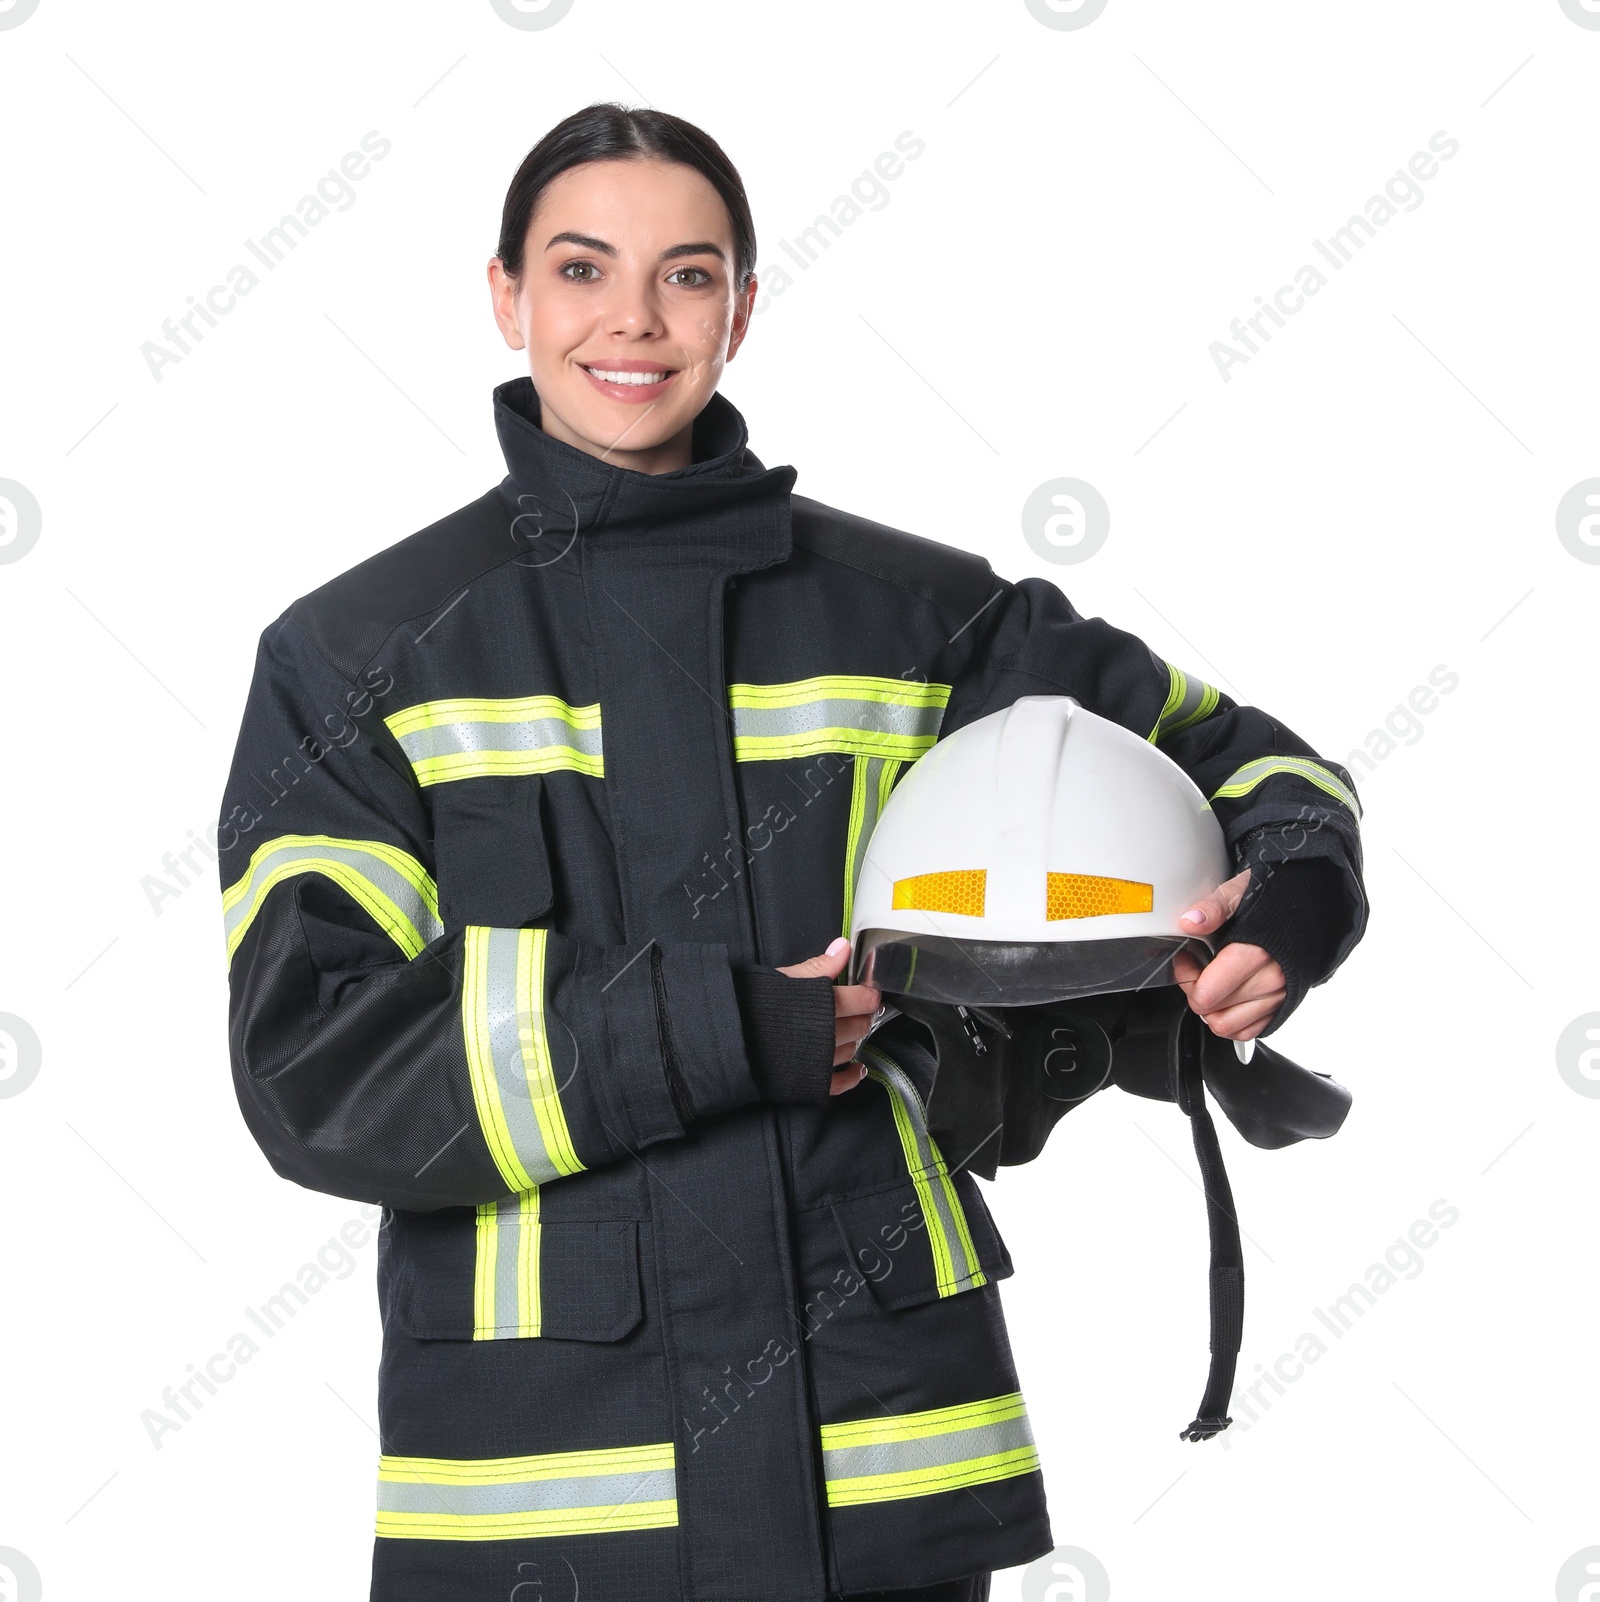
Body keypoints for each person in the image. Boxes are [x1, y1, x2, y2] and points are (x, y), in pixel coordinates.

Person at [218, 102, 1367, 1602]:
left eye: (687, 276)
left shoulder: (914, 614)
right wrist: (721, 1026)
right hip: (549, 1507)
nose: (633, 319)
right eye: (581, 269)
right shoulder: (360, 654)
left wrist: (1293, 893)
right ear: (505, 294)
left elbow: (1250, 760)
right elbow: (320, 1065)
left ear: (743, 309)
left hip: (883, 1468)